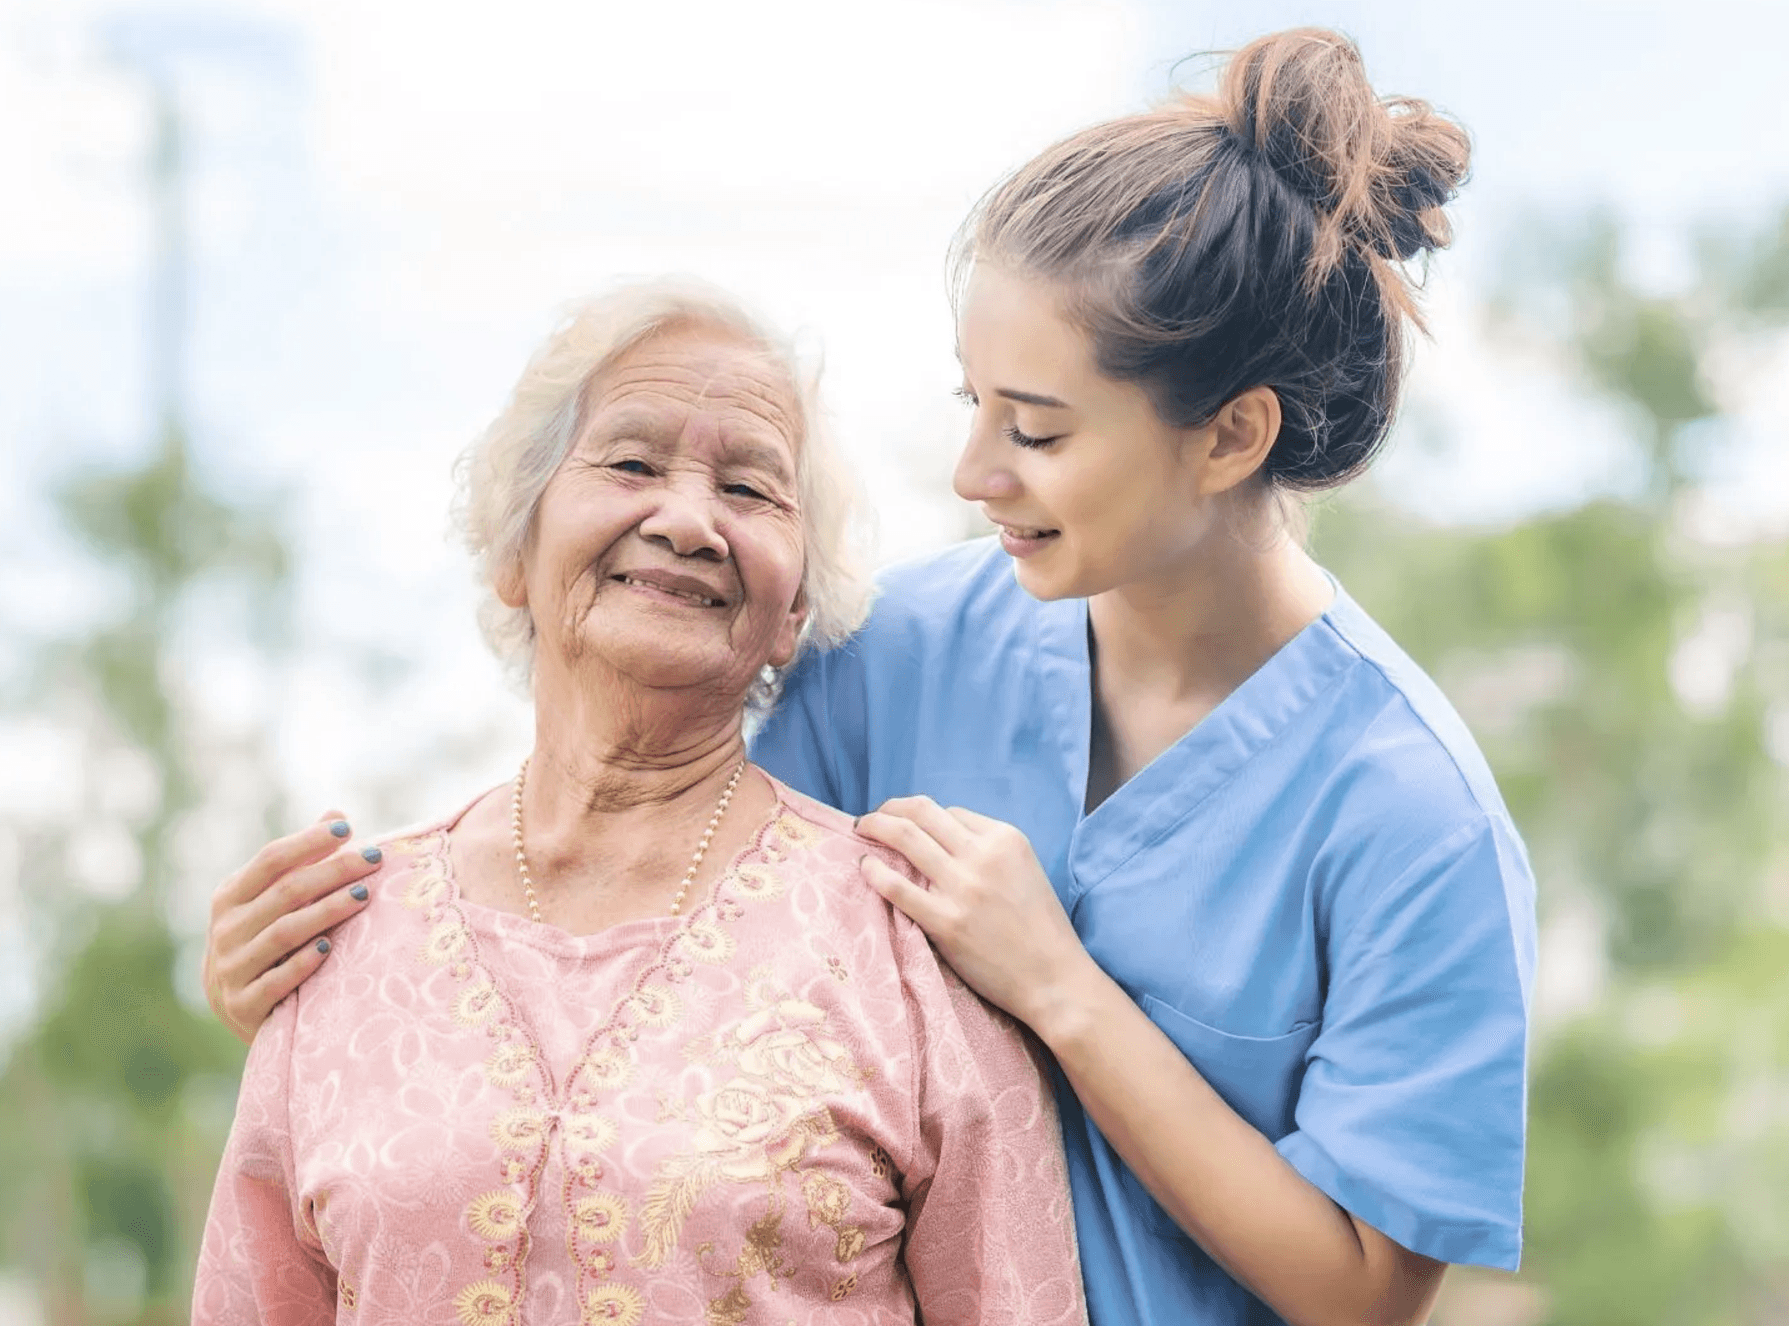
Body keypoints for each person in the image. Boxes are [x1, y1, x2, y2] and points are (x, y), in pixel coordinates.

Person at [204, 29, 1533, 1326]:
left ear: (1232, 435)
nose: (975, 474)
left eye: (1039, 429)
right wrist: (341, 991)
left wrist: (1062, 989)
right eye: (973, 404)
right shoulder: (897, 652)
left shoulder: (1411, 814)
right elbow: (653, 914)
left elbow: (1365, 1293)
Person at [192, 281, 1086, 1326]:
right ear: (513, 550)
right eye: (629, 464)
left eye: (749, 490)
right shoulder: (337, 938)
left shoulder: (910, 943)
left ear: (793, 608)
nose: (688, 520)